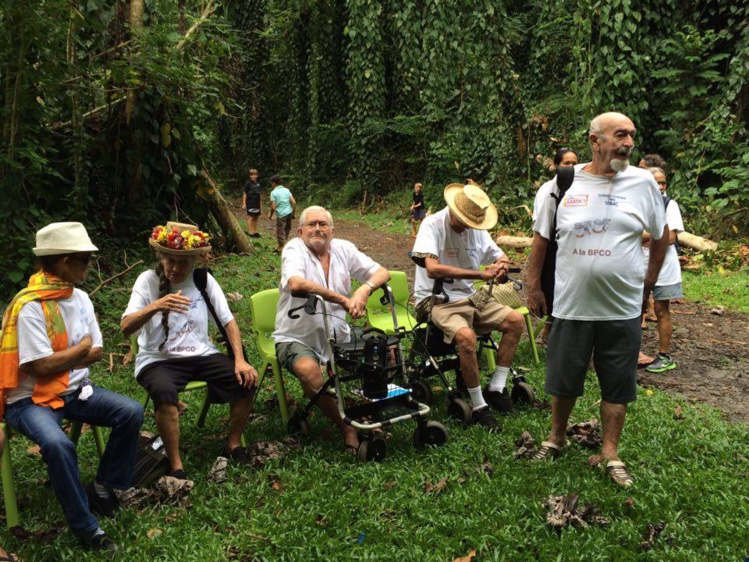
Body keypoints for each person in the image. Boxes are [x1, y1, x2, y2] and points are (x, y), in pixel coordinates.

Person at [526, 112, 670, 487]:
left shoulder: (642, 183)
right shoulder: (560, 185)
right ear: (595, 140)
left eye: (632, 135)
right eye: (620, 135)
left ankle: (610, 452)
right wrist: (533, 285)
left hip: (621, 306)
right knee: (563, 378)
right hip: (572, 304)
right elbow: (541, 240)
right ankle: (556, 438)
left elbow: (661, 235)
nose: (628, 143)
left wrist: (649, 283)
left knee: (617, 382)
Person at [0, 222, 143, 553]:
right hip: (30, 400)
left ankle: (104, 485)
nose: (89, 266)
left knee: (131, 412)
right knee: (59, 445)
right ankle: (86, 528)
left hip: (77, 391)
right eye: (85, 259)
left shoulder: (79, 298)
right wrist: (78, 351)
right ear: (65, 261)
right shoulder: (30, 306)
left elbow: (97, 351)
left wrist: (70, 356)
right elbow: (41, 366)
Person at [121, 221, 258, 479]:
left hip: (201, 354)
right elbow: (126, 327)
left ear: (195, 259)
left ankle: (233, 443)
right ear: (161, 257)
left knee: (246, 380)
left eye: (183, 262)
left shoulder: (203, 280)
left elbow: (229, 322)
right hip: (157, 359)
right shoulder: (147, 280)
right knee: (164, 391)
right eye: (169, 261)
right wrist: (156, 306)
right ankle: (176, 464)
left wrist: (240, 360)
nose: (175, 268)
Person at [273, 206, 390, 454]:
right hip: (297, 335)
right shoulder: (294, 249)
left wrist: (363, 290)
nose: (318, 229)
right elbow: (296, 283)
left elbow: (382, 272)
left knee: (386, 351)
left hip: (338, 332)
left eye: (323, 224)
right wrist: (342, 299)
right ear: (300, 230)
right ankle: (346, 426)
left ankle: (366, 411)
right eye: (312, 224)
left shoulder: (344, 249)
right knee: (308, 370)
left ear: (332, 230)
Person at [411, 182, 526, 431]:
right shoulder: (432, 225)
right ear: (453, 210)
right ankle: (478, 405)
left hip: (470, 297)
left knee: (516, 321)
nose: (468, 227)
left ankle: (496, 387)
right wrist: (480, 275)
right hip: (436, 299)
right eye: (464, 221)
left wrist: (502, 265)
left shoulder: (476, 228)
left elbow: (498, 255)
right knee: (466, 337)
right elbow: (432, 269)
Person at [533, 148, 579, 343]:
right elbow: (541, 228)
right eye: (566, 163)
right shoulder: (548, 190)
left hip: (573, 249)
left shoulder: (580, 188)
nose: (571, 167)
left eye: (574, 163)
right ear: (556, 165)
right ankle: (548, 334)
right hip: (552, 247)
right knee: (552, 290)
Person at [643, 167, 684, 373]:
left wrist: (642, 235)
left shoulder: (670, 205)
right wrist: (654, 234)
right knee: (635, 310)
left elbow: (670, 237)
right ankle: (629, 353)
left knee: (661, 309)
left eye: (663, 183)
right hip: (638, 265)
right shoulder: (638, 202)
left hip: (665, 267)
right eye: (656, 182)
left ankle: (664, 355)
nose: (660, 186)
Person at [269, 175, 297, 254]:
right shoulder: (287, 190)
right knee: (287, 229)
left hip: (281, 214)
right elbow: (294, 202)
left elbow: (273, 207)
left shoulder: (273, 192)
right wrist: (293, 214)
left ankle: (284, 248)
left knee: (280, 231)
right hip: (289, 213)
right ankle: (281, 246)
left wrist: (270, 216)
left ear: (274, 183)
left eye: (271, 183)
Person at [241, 168, 262, 238]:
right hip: (250, 202)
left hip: (257, 203)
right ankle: (250, 233)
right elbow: (244, 193)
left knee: (256, 217)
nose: (253, 176)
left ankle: (256, 232)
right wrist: (244, 204)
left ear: (257, 175)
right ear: (249, 176)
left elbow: (259, 194)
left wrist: (260, 204)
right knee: (250, 217)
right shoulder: (248, 183)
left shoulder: (258, 183)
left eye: (255, 175)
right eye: (252, 175)